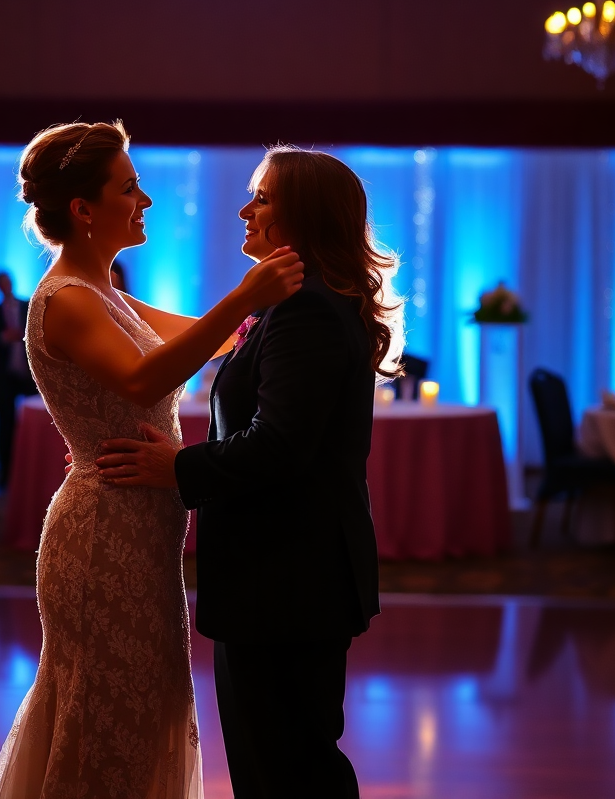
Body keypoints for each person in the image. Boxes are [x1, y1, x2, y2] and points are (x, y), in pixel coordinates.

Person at [0, 121, 303, 799]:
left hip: (141, 537)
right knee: (104, 729)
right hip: (102, 537)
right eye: (129, 188)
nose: (145, 200)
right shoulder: (65, 300)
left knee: (137, 720)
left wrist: (282, 303)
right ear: (83, 209)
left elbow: (210, 339)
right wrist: (247, 295)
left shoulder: (103, 296)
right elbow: (143, 379)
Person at [97, 145, 403, 799]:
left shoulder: (305, 308)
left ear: (303, 215)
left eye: (261, 198)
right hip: (288, 577)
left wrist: (175, 467)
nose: (244, 211)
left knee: (287, 770)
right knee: (286, 762)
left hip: (285, 579)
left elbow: (279, 446)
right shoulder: (296, 302)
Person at [0, 271, 36, 489]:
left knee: (34, 422)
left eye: (7, 282)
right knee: (5, 424)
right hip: (3, 375)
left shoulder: (27, 306)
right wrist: (3, 337)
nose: (6, 286)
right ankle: (6, 474)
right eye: (1, 283)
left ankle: (31, 472)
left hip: (28, 375)